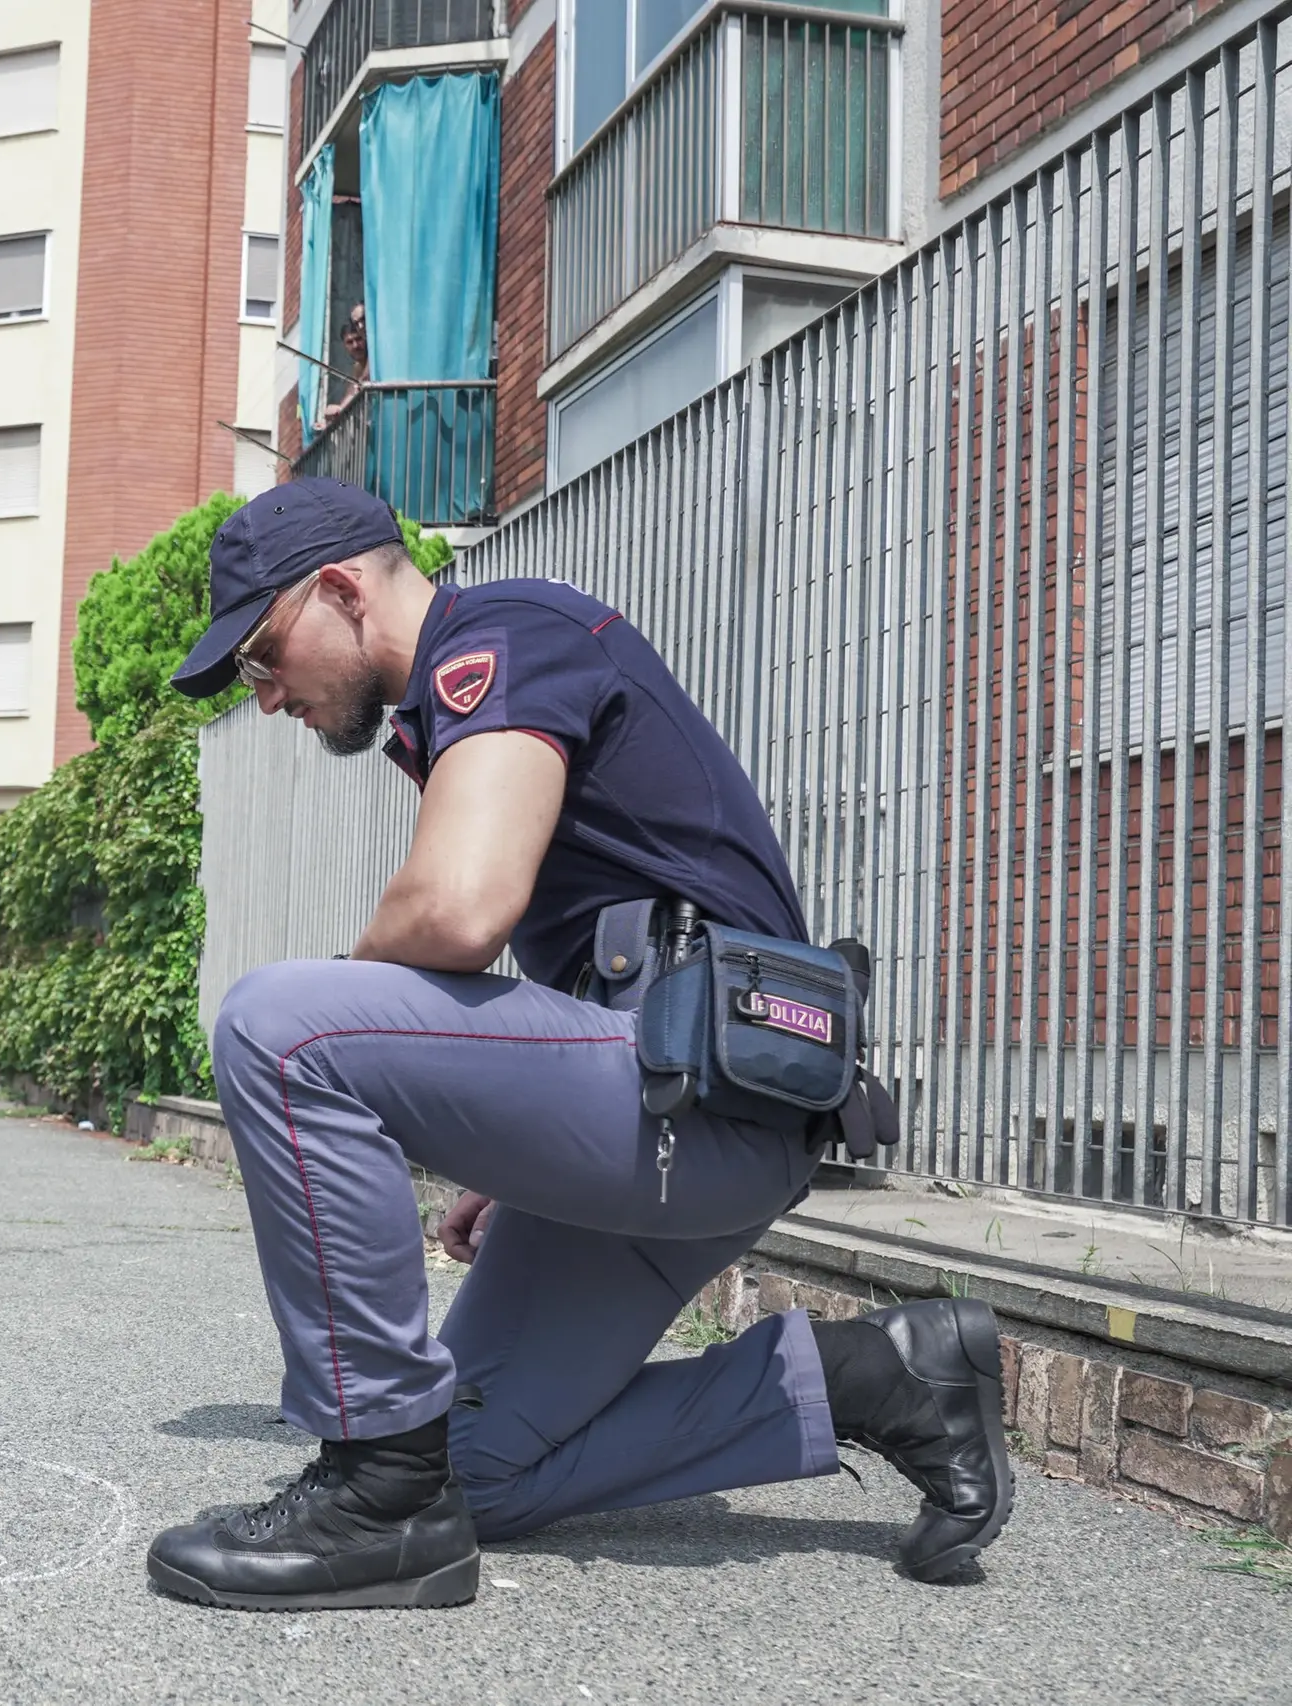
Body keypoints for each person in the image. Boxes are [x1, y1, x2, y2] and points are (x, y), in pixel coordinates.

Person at [143, 478, 1013, 1609]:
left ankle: (375, 1493)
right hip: (687, 1103)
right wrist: (524, 1153)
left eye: (263, 656)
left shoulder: (505, 637)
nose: (266, 698)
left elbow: (460, 908)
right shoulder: (473, 689)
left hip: (703, 1101)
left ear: (342, 589)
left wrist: (357, 1004)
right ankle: (878, 1377)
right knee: (479, 1472)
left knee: (281, 1025)